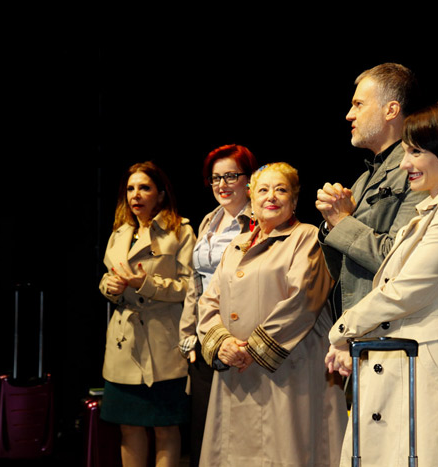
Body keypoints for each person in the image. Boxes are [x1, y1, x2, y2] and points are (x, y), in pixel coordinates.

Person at [326, 100, 438, 466]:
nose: (405, 164)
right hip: (403, 365)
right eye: (404, 152)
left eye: (415, 152)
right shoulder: (429, 211)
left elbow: (407, 290)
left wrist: (343, 330)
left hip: (432, 371)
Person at [196, 162, 348, 466]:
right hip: (237, 370)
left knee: (289, 451)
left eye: (281, 190)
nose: (272, 197)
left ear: (293, 200)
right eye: (263, 190)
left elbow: (303, 298)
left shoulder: (306, 237)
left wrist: (252, 349)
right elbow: (209, 301)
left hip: (290, 367)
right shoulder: (236, 246)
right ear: (251, 200)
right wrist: (221, 343)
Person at [99, 161, 196, 467]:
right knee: (129, 427)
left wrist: (146, 284)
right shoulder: (120, 232)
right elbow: (106, 278)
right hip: (123, 345)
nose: (135, 195)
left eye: (144, 187)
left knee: (165, 427)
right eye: (130, 188)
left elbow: (190, 287)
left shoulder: (180, 231)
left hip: (162, 343)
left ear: (162, 194)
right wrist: (110, 286)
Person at [315, 63, 427, 319]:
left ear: (391, 110)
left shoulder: (419, 172)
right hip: (360, 332)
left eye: (359, 104)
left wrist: (340, 221)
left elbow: (398, 259)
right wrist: (330, 225)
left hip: (394, 332)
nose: (349, 115)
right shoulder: (364, 180)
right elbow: (344, 273)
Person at [177, 144, 258, 467]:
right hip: (205, 336)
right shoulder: (209, 221)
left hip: (239, 334)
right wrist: (188, 335)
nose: (222, 185)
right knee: (203, 434)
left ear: (249, 180)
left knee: (239, 433)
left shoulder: (260, 220)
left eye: (231, 176)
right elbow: (193, 283)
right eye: (215, 179)